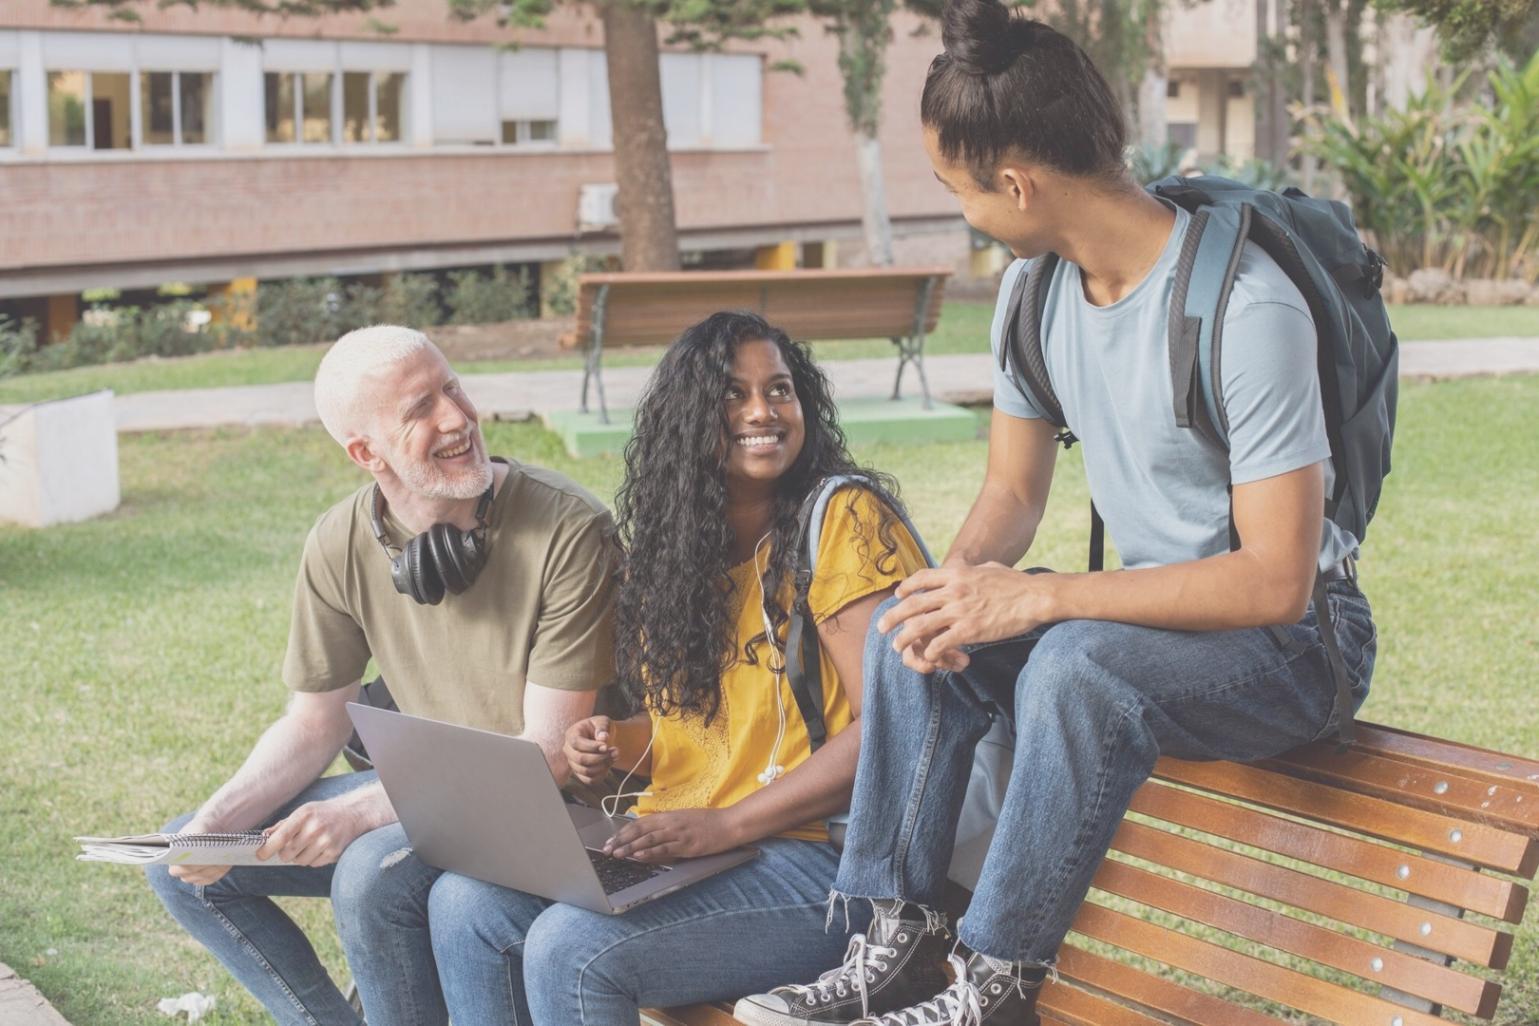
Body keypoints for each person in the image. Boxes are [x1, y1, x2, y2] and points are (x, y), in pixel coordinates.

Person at [734, 3, 1379, 1025]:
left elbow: (1274, 579)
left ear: (1019, 184)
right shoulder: (1035, 294)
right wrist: (955, 598)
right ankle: (892, 940)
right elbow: (1012, 493)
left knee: (1076, 659)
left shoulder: (1246, 311)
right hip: (1136, 627)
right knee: (916, 625)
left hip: (1296, 647)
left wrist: (1038, 603)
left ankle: (994, 987)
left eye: (957, 190)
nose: (964, 212)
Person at [420, 311, 930, 1024]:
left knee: (574, 948)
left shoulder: (842, 519)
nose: (762, 411)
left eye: (779, 390)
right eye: (732, 394)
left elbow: (897, 726)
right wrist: (612, 744)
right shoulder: (676, 554)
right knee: (466, 904)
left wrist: (728, 825)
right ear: (688, 419)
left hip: (829, 864)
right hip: (692, 850)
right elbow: (702, 738)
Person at [145, 325, 618, 1026]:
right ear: (365, 452)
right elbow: (315, 720)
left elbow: (546, 754)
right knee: (175, 862)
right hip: (427, 796)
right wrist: (219, 820)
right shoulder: (339, 541)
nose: (457, 418)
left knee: (371, 873)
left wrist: (362, 810)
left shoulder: (569, 528)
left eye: (452, 389)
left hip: (552, 806)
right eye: (420, 408)